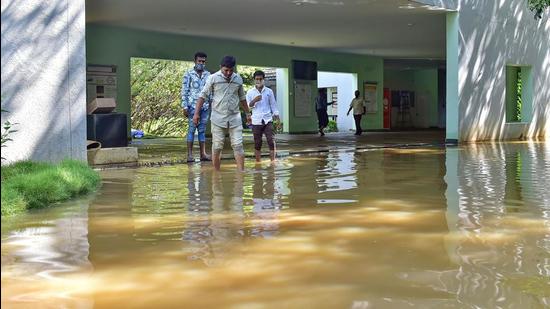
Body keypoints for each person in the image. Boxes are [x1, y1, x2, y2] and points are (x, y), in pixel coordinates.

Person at [193, 55, 252, 171]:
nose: (228, 73)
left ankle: (241, 174)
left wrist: (248, 114)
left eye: (231, 70)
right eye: (226, 70)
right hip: (218, 118)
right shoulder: (213, 78)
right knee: (217, 147)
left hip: (235, 118)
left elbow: (242, 98)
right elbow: (202, 96)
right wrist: (196, 114)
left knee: (238, 146)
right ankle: (216, 174)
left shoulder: (238, 79)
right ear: (220, 67)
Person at [182, 51, 211, 162]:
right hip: (192, 107)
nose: (201, 63)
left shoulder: (208, 75)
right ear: (195, 61)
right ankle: (189, 155)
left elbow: (210, 91)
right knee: (191, 130)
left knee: (202, 130)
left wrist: (212, 104)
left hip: (205, 107)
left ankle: (203, 154)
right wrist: (184, 106)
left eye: (203, 61)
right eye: (199, 61)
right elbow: (184, 91)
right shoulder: (188, 74)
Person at [246, 70, 280, 162]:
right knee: (257, 142)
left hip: (268, 119)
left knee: (271, 140)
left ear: (263, 80)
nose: (259, 81)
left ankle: (273, 162)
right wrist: (254, 100)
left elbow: (273, 105)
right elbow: (248, 107)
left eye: (260, 79)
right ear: (254, 80)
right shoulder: (250, 92)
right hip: (256, 120)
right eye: (257, 79)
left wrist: (277, 118)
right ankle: (258, 162)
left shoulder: (269, 91)